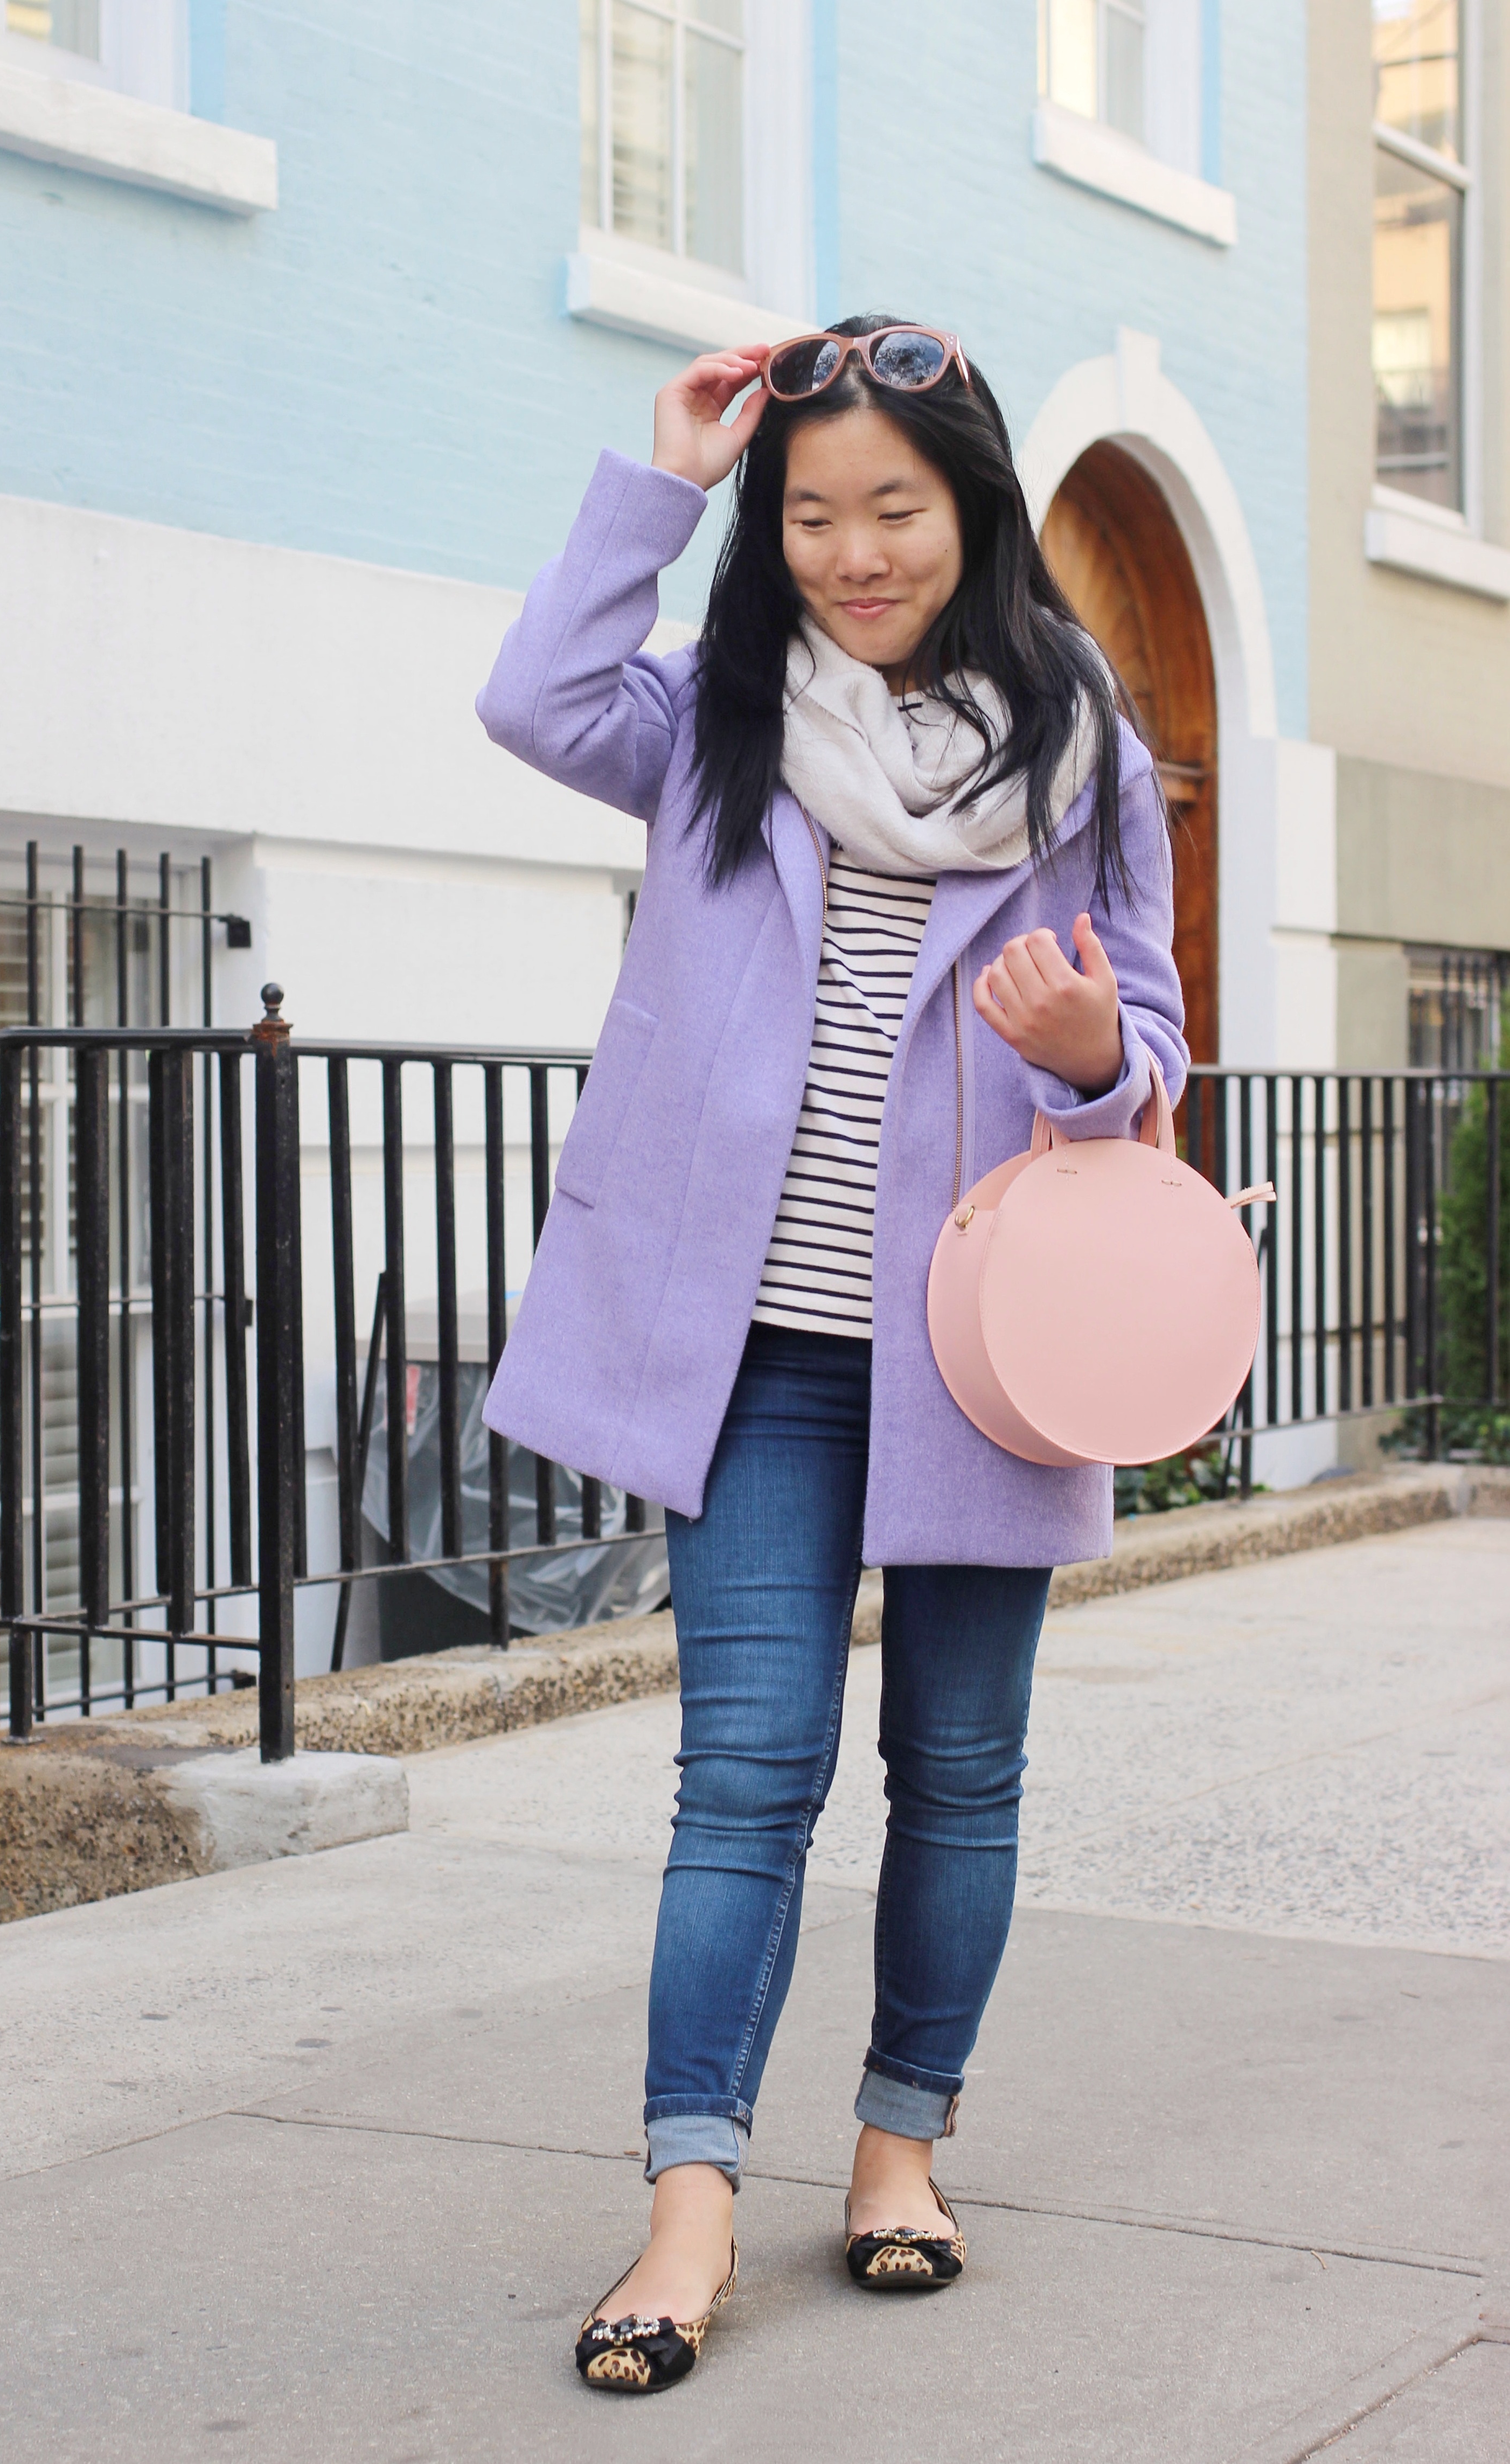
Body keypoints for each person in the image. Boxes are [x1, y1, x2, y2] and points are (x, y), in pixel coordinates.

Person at [475, 317, 1187, 2394]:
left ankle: (899, 2155)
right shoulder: (708, 721)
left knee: (958, 1780)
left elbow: (1142, 1045)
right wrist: (666, 475)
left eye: (896, 508)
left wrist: (1089, 1063)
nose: (857, 551)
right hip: (753, 1361)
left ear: (971, 509)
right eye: (815, 516)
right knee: (745, 1779)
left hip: (985, 1350)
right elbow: (529, 695)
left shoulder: (1085, 760)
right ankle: (687, 2199)